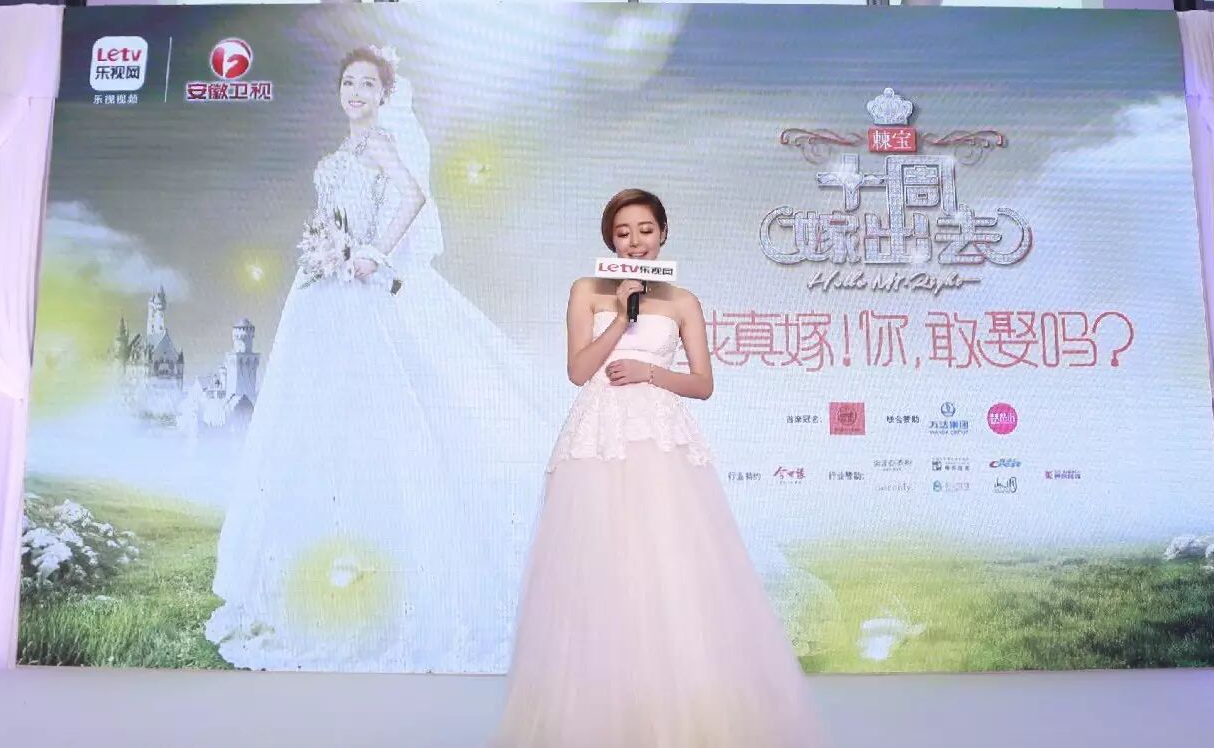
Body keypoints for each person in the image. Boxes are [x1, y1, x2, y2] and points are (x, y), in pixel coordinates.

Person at [205, 45, 547, 673]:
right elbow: (329, 215)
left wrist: (373, 254)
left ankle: (387, 577)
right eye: (348, 83)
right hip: (318, 294)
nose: (356, 93)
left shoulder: (382, 145)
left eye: (367, 84)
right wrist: (324, 248)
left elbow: (414, 196)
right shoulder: (339, 153)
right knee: (315, 428)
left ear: (385, 96)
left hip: (357, 292)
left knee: (376, 424)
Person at [493, 188, 830, 746]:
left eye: (645, 230)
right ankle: (593, 715)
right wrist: (618, 319)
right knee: (594, 565)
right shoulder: (587, 290)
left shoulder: (682, 302)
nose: (635, 241)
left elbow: (702, 383)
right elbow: (578, 370)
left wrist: (648, 373)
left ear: (664, 233)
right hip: (598, 437)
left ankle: (679, 710)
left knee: (668, 562)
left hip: (660, 436)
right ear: (610, 240)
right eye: (623, 232)